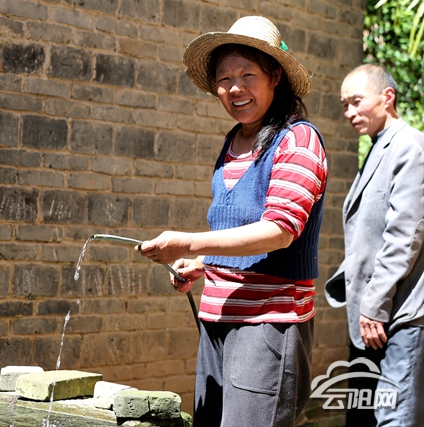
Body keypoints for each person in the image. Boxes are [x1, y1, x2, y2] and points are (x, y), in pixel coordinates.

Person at [136, 16, 328, 427]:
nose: (235, 88)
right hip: (216, 318)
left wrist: (191, 243)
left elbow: (279, 231)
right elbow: (238, 232)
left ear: (275, 76)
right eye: (224, 79)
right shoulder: (233, 142)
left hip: (267, 325)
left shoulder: (297, 140)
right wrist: (203, 264)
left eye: (247, 75)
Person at [325, 64, 424, 427]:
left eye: (356, 101)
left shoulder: (409, 147)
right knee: (364, 414)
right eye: (344, 105)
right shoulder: (380, 146)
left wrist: (374, 304)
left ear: (387, 97)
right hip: (373, 316)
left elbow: (405, 236)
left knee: (393, 417)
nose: (349, 112)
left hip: (398, 315)